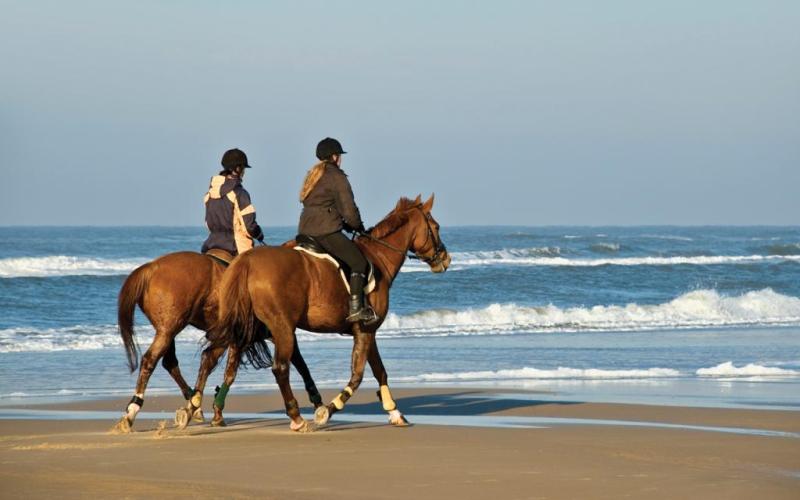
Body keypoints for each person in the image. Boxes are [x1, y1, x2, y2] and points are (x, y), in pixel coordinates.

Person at [298, 137, 378, 325]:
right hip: (325, 232)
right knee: (359, 262)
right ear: (334, 157)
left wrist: (344, 223)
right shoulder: (337, 176)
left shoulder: (312, 175)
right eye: (339, 156)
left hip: (305, 230)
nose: (340, 159)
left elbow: (321, 205)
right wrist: (357, 226)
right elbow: (349, 209)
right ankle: (356, 308)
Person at [202, 148, 264, 257]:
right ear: (238, 168)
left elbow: (208, 224)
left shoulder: (209, 194)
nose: (244, 172)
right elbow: (249, 227)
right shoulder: (240, 193)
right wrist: (259, 234)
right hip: (236, 248)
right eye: (243, 168)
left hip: (211, 245)